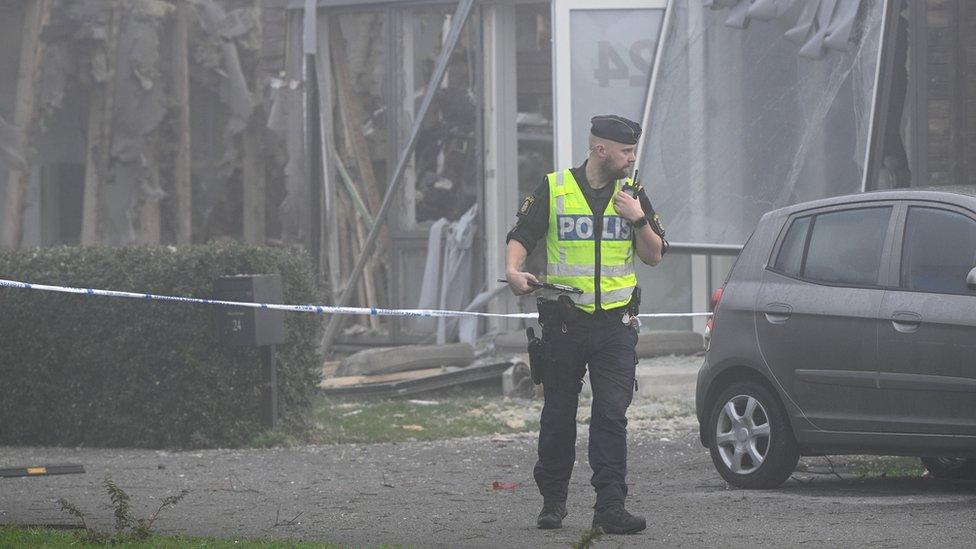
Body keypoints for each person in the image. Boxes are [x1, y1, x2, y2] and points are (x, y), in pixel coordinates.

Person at [505, 115, 666, 534]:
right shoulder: (555, 187)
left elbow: (654, 255)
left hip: (616, 324)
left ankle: (610, 506)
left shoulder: (633, 194)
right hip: (565, 322)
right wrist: (513, 270)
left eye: (633, 151)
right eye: (626, 151)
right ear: (601, 150)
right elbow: (523, 233)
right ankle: (553, 502)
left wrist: (638, 219)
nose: (632, 159)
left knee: (612, 414)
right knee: (558, 412)